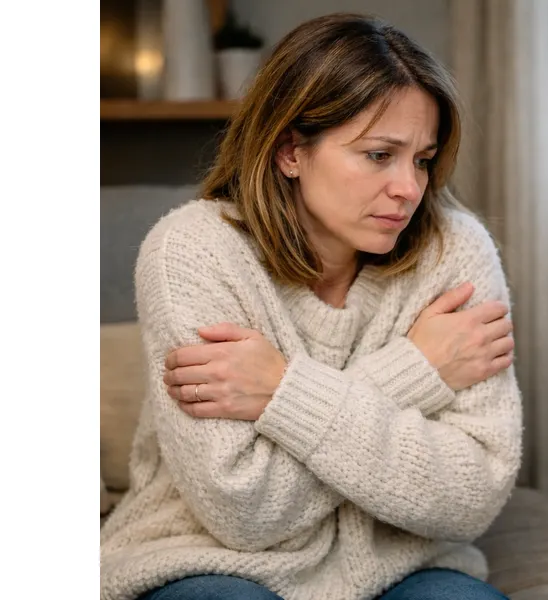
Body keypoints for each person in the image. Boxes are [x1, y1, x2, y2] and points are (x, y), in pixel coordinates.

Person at [100, 13, 522, 600]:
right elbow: (243, 511)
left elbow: (473, 494)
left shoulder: (456, 250)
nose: (409, 188)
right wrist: (416, 370)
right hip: (209, 559)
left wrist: (280, 390)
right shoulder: (192, 250)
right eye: (379, 155)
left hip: (406, 560)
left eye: (422, 159)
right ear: (290, 151)